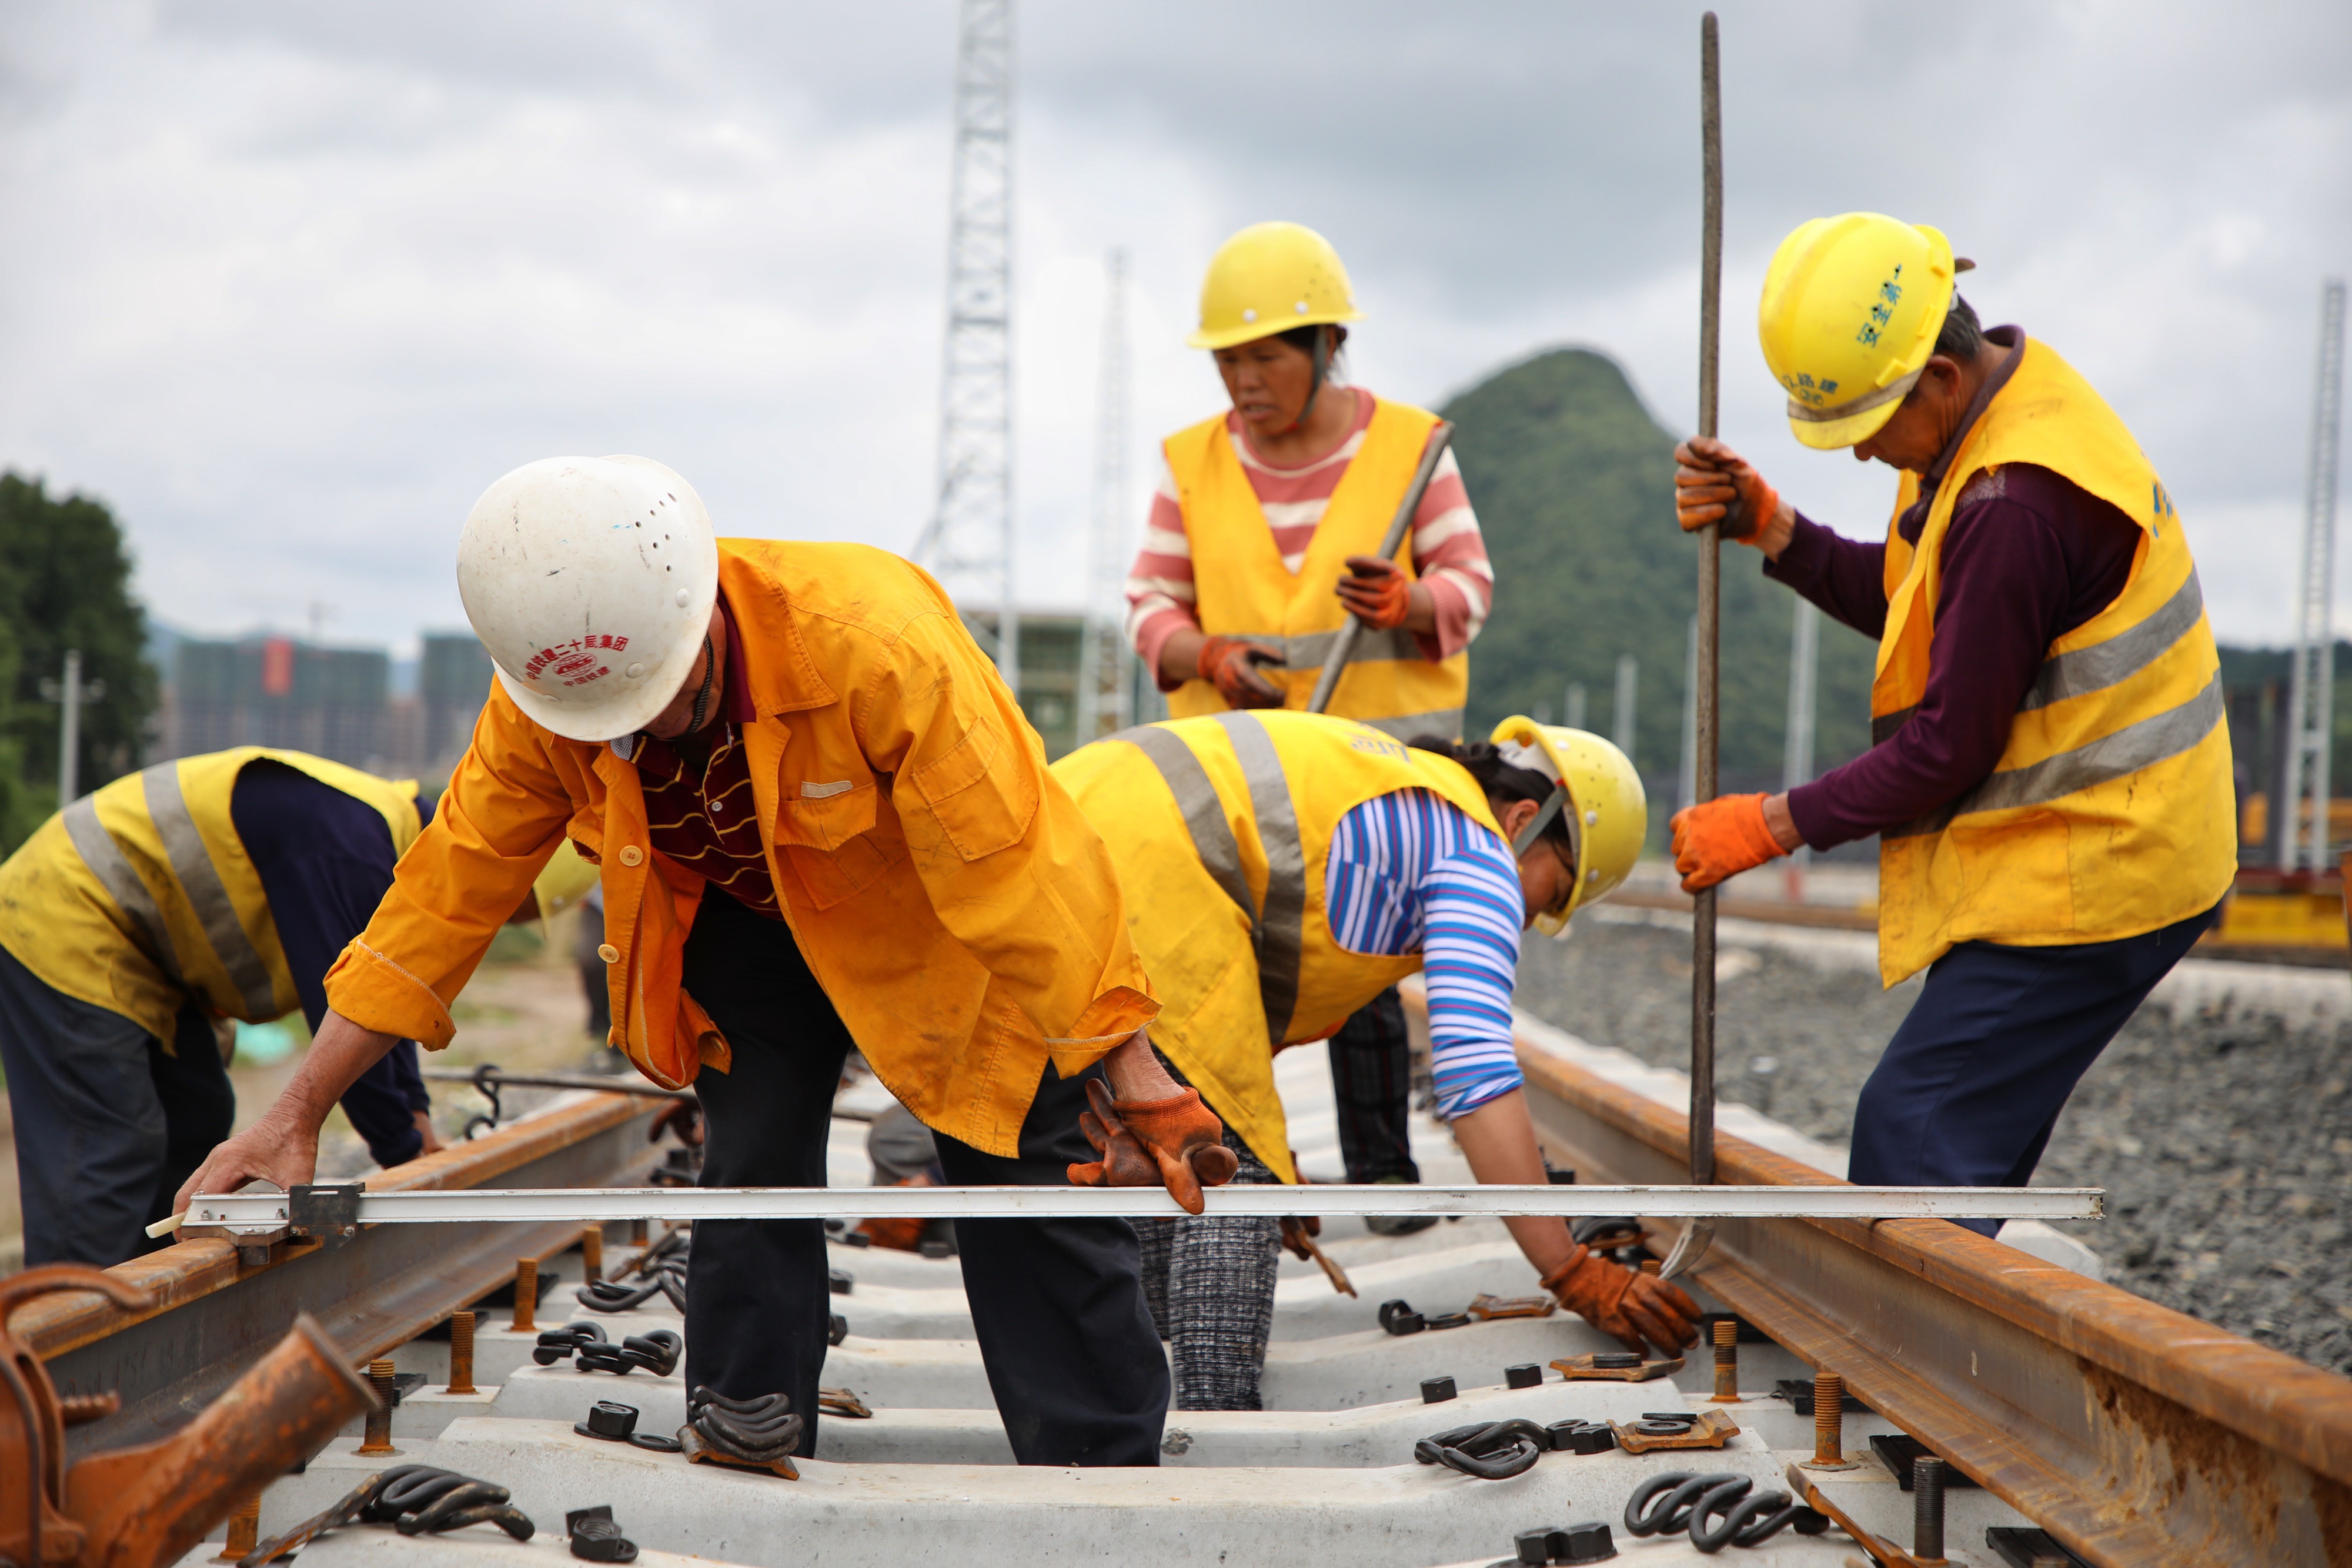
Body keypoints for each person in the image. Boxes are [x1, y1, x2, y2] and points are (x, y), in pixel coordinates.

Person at [175, 454, 1234, 1465]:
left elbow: (1018, 869)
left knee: (1016, 1156)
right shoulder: (547, 702)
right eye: (613, 730)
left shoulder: (872, 642)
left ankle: (1097, 1455)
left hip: (934, 923)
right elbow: (437, 906)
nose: (643, 740)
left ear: (701, 620)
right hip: (740, 922)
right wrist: (294, 1114)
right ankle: (747, 1408)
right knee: (753, 1155)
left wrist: (1131, 1072)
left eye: (660, 707)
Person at [1667, 213, 2233, 1233]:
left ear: (1937, 371)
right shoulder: (1978, 431)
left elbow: (1948, 744)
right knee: (1954, 1142)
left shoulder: (2014, 501)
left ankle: (1911, 1371)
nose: (1861, 456)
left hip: (2106, 861)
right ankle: (1954, 1345)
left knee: (1917, 1129)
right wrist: (1778, 531)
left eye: (1868, 424)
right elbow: (1925, 606)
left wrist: (1772, 821)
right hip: (2078, 845)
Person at [1053, 708, 1700, 1409]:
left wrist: (1271, 1142)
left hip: (1077, 814)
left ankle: (1137, 1385)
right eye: (1555, 889)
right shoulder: (1481, 855)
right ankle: (1214, 1428)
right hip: (1149, 858)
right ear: (1522, 822)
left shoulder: (1407, 799)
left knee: (1162, 1148)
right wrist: (1569, 1269)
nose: (1530, 917)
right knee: (1226, 1169)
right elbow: (1475, 1075)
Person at [1125, 220, 1498, 1223]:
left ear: (1328, 347)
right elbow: (1148, 608)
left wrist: (1410, 605)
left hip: (1370, 767)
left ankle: (1383, 1174)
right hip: (1237, 777)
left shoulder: (1412, 451)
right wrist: (1202, 654)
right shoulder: (1190, 464)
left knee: (1366, 965)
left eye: (1266, 357)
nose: (1244, 381)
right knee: (1214, 971)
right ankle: (1226, 1175)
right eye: (1229, 361)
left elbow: (1471, 584)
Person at [0, 748, 442, 1266]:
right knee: (107, 1148)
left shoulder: (379, 831)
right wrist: (406, 1158)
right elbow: (349, 1010)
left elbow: (390, 993)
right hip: (62, 910)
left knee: (197, 1119)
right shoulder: (355, 849)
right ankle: (68, 1332)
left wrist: (419, 1125)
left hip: (148, 954)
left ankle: (153, 1309)